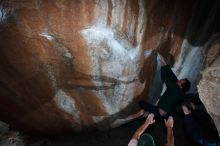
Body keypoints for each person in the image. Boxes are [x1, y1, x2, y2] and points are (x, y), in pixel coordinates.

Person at [139, 54, 191, 120]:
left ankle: (148, 114)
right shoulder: (181, 92)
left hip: (160, 113)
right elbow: (173, 78)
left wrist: (163, 64)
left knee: (141, 103)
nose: (179, 80)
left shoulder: (175, 89)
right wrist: (164, 63)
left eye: (180, 81)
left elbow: (168, 79)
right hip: (167, 113)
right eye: (181, 79)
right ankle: (149, 114)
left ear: (180, 86)